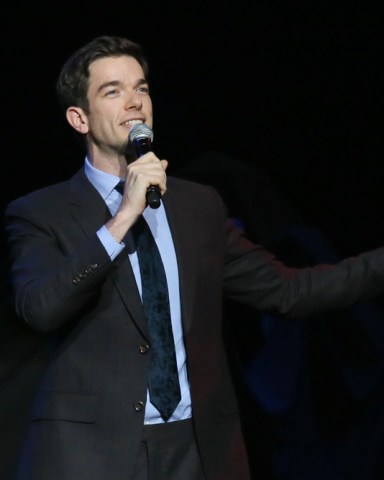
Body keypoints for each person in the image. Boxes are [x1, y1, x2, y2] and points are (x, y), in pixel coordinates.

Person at [3, 35, 384, 480]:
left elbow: (290, 290)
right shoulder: (40, 212)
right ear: (78, 118)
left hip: (195, 448)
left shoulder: (197, 206)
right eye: (113, 91)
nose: (134, 103)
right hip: (92, 454)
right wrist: (123, 216)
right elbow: (39, 308)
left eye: (141, 88)